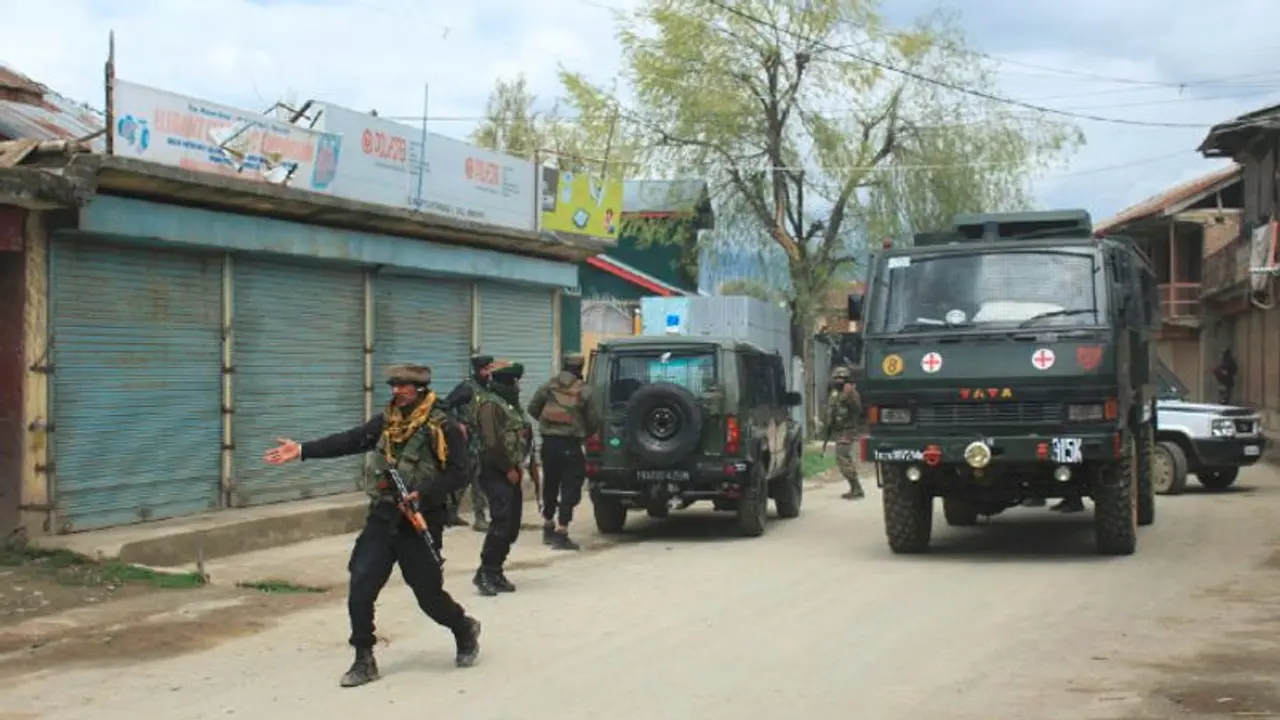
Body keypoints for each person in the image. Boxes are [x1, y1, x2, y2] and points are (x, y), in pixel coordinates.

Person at [263, 363, 481, 688]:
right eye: (394, 385)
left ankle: (463, 629)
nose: (396, 391)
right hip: (383, 517)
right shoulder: (387, 422)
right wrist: (303, 450)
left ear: (420, 388)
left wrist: (424, 494)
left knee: (428, 595)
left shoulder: (443, 426)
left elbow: (460, 473)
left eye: (404, 386)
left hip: (420, 522)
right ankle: (364, 657)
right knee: (361, 586)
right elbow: (350, 440)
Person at [527, 353, 600, 551]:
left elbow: (533, 408)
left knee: (550, 482)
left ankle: (548, 525)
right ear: (580, 368)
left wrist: (548, 425)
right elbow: (594, 420)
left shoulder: (548, 386)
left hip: (548, 444)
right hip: (571, 445)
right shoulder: (585, 391)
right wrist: (582, 431)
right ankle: (562, 531)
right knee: (571, 487)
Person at [472, 361, 530, 597]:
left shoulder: (509, 405)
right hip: (493, 469)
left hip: (511, 468)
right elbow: (492, 442)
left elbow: (519, 435)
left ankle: (495, 569)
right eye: (513, 382)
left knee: (512, 524)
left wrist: (520, 464)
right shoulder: (489, 405)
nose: (516, 386)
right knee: (502, 520)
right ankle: (486, 572)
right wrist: (508, 468)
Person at [446, 355, 494, 532]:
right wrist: (457, 425)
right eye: (486, 369)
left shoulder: (488, 388)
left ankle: (453, 513)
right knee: (471, 477)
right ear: (478, 370)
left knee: (472, 477)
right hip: (468, 440)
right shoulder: (467, 388)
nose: (489, 373)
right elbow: (445, 405)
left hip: (482, 440)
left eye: (490, 369)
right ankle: (478, 518)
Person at [825, 366, 865, 500]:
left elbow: (857, 409)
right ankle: (855, 487)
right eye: (836, 378)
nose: (838, 381)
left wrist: (848, 396)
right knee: (843, 457)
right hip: (839, 429)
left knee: (842, 457)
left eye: (841, 378)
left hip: (848, 430)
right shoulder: (835, 393)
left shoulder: (851, 393)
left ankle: (856, 487)